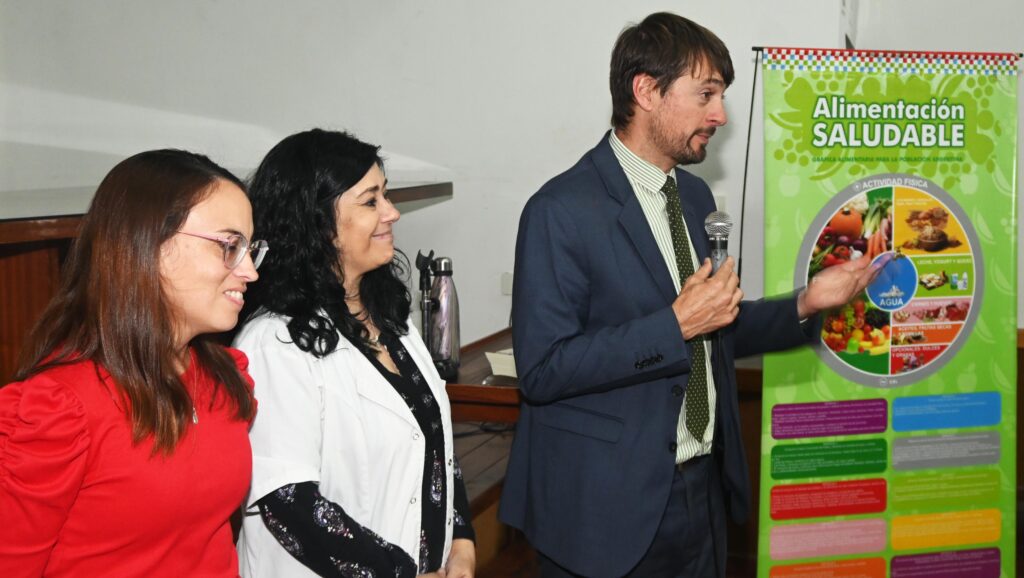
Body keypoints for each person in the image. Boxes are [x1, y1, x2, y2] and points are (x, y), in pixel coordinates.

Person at [498, 12, 876, 578]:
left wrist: (806, 303)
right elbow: (543, 370)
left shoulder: (695, 198)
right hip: (607, 512)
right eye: (706, 94)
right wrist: (672, 326)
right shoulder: (560, 211)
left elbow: (716, 328)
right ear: (646, 91)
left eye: (721, 96)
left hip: (703, 494)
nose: (720, 114)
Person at [0, 150, 267, 577]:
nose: (250, 271)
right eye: (229, 246)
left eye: (251, 249)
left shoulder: (224, 377)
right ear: (149, 245)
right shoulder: (59, 408)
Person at [234, 129, 476, 578]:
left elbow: (433, 441)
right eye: (371, 201)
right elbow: (288, 503)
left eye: (386, 194)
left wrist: (461, 541)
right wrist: (399, 573)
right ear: (319, 224)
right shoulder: (273, 343)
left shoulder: (392, 320)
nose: (392, 212)